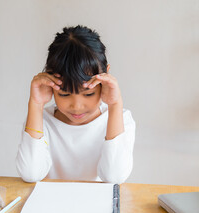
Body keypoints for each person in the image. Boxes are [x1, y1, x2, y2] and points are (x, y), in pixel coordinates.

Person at [15, 25, 135, 184]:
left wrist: (115, 105)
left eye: (88, 94)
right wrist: (36, 105)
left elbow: (114, 177)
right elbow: (30, 173)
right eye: (64, 94)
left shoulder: (121, 119)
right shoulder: (41, 120)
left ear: (105, 78)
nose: (77, 106)